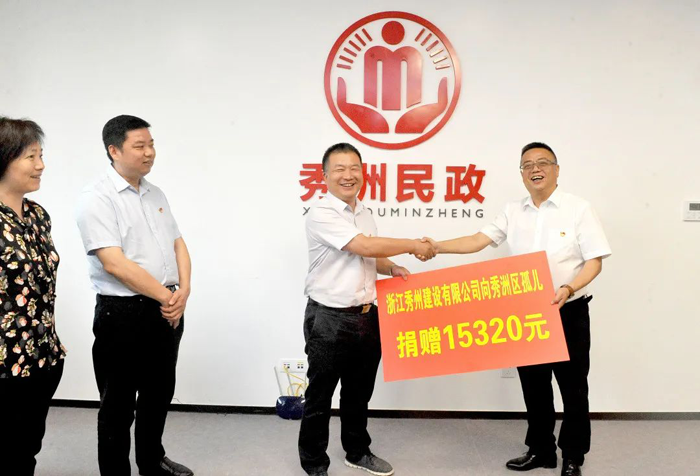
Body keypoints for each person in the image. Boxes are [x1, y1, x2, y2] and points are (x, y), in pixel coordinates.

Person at [424, 142, 611, 476]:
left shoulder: (578, 208)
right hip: (527, 312)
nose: (535, 169)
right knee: (534, 386)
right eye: (527, 165)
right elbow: (478, 240)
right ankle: (540, 450)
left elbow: (594, 261)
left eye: (542, 162)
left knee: (573, 388)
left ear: (556, 169)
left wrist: (569, 288)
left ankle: (572, 455)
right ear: (522, 174)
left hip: (568, 310)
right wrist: (437, 246)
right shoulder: (513, 210)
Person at [299, 142, 436, 476]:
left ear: (363, 173)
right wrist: (413, 245)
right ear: (325, 176)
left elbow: (370, 255)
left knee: (359, 393)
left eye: (354, 168)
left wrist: (392, 268)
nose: (348, 175)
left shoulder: (364, 211)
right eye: (340, 169)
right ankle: (314, 463)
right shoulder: (321, 213)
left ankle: (357, 451)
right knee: (320, 395)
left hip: (367, 316)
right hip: (329, 319)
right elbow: (362, 245)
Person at [75, 115, 193, 476]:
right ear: (114, 150)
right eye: (139, 146)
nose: (149, 153)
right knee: (118, 404)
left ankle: (151, 461)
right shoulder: (97, 198)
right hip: (122, 314)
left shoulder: (155, 193)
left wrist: (184, 290)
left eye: (151, 144)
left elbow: (177, 242)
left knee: (159, 393)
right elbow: (114, 263)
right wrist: (168, 298)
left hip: (166, 308)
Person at [0, 117, 66, 475]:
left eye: (41, 155)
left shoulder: (38, 215)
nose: (41, 165)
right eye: (30, 156)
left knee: (27, 447)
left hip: (42, 355)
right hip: (4, 361)